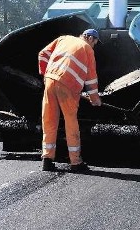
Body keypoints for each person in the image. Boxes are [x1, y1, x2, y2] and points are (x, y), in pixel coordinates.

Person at [38, 29, 102, 173]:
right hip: (68, 86)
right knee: (70, 121)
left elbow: (43, 54)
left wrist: (45, 74)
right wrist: (95, 99)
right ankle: (76, 162)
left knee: (49, 120)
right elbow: (91, 78)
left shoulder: (63, 38)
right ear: (90, 38)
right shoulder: (87, 49)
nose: (94, 46)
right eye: (95, 43)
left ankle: (47, 160)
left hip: (50, 81)